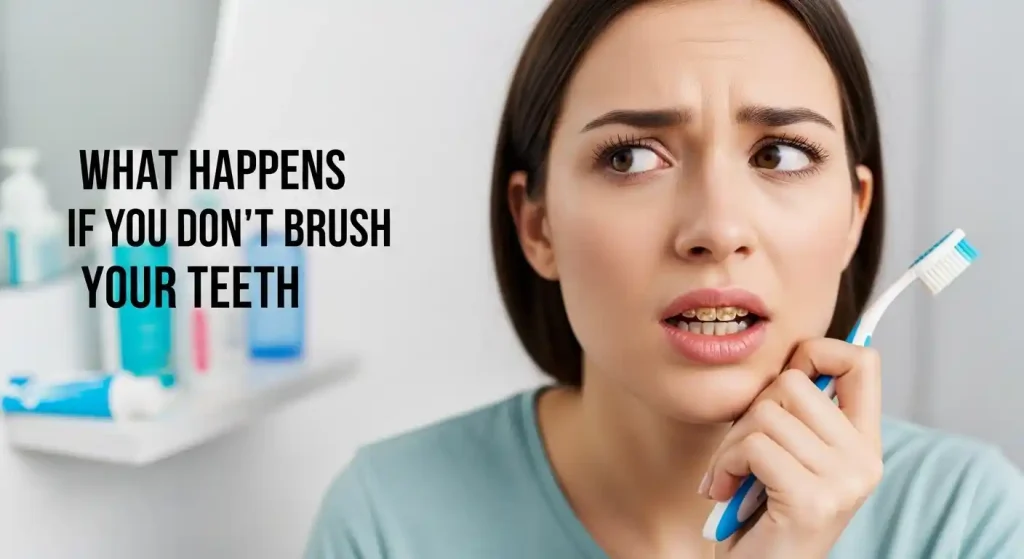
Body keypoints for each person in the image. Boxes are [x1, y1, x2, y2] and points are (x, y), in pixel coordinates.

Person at [305, 0, 1024, 557]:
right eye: (631, 158)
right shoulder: (389, 521)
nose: (716, 227)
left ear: (852, 218)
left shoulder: (963, 521)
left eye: (778, 154)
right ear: (537, 224)